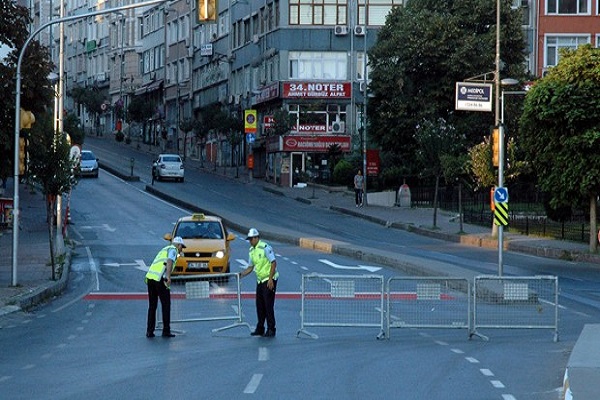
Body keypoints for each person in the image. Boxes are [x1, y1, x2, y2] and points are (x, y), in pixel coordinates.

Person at [239, 228, 278, 337]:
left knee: (268, 305)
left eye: (251, 239)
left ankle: (271, 329)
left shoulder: (265, 247)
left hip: (269, 279)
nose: (250, 241)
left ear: (256, 238)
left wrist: (270, 279)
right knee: (259, 305)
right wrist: (240, 275)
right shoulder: (252, 250)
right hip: (260, 280)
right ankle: (260, 328)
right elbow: (250, 267)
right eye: (249, 239)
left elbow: (273, 263)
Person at [145, 236, 186, 338]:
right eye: (182, 247)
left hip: (151, 278)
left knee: (152, 306)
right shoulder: (173, 250)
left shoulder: (164, 249)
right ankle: (166, 330)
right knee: (166, 305)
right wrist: (168, 277)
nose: (182, 249)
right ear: (179, 245)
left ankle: (149, 331)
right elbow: (169, 261)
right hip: (160, 279)